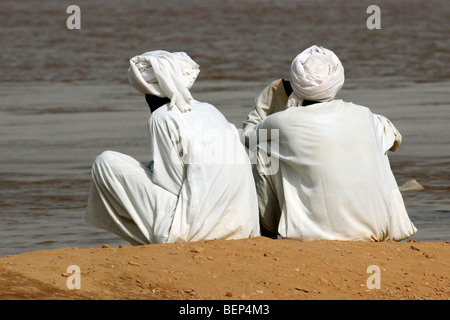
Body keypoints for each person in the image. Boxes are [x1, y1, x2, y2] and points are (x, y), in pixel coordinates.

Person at [242, 45, 417, 241]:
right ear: (337, 80)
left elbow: (247, 139)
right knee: (380, 139)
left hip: (311, 236)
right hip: (376, 232)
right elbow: (395, 138)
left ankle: (268, 232)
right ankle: (383, 223)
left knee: (262, 149)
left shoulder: (280, 121)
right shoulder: (365, 116)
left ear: (296, 83)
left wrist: (270, 101)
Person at [86, 50, 260, 245]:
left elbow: (171, 184)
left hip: (198, 230)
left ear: (147, 93)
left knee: (105, 162)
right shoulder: (210, 109)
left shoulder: (161, 118)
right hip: (243, 226)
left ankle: (158, 241)